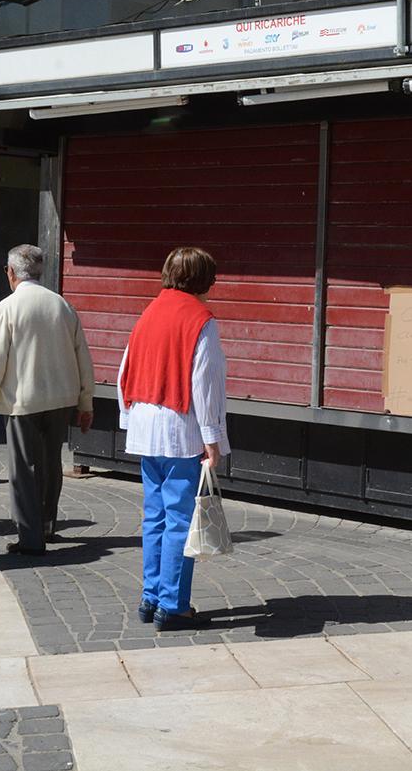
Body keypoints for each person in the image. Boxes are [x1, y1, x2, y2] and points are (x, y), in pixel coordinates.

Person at [117, 246, 229, 632]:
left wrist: (128, 416)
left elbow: (124, 370)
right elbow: (206, 384)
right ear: (205, 281)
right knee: (181, 518)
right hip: (182, 428)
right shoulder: (201, 320)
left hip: (145, 424)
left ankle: (150, 597)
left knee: (155, 517)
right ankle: (173, 605)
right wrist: (213, 440)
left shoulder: (147, 313)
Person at [0, 245, 95, 556]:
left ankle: (30, 537)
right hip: (61, 398)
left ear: (11, 273)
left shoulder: (7, 308)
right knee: (51, 463)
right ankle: (48, 525)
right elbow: (84, 357)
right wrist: (86, 402)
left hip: (22, 401)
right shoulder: (62, 306)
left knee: (23, 468)